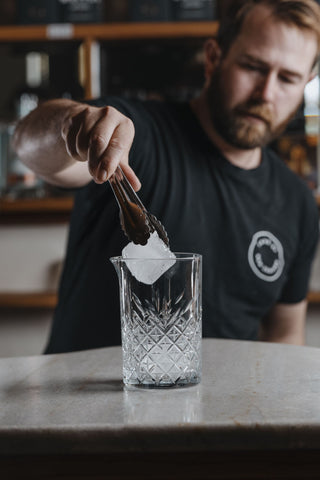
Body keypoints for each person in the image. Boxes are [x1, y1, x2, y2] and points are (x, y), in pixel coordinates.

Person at [13, 0, 320, 352]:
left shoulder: (296, 203)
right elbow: (29, 146)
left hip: (219, 406)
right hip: (84, 403)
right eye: (253, 66)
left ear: (306, 84)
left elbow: (284, 335)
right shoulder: (138, 136)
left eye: (288, 78)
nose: (266, 93)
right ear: (213, 57)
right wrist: (73, 128)